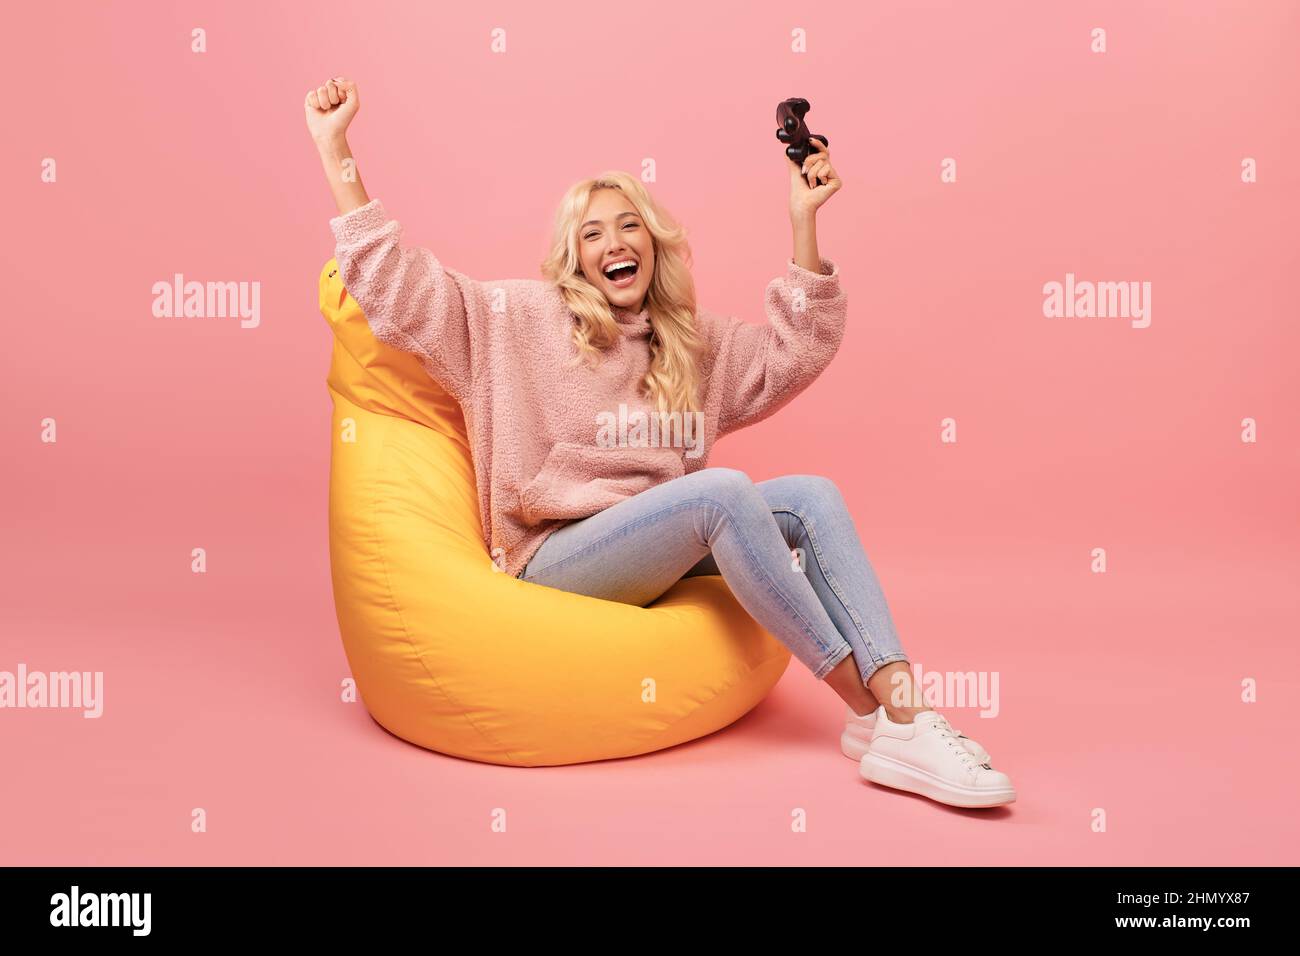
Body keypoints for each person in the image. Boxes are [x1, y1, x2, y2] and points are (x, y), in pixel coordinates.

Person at [305, 76, 1016, 808]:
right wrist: (338, 152)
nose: (613, 243)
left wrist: (804, 220)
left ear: (653, 243)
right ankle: (877, 715)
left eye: (628, 226)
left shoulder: (685, 342)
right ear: (573, 257)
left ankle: (904, 697)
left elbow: (795, 351)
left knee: (812, 496)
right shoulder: (516, 319)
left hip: (662, 547)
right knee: (721, 492)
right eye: (591, 233)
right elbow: (398, 287)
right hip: (553, 557)